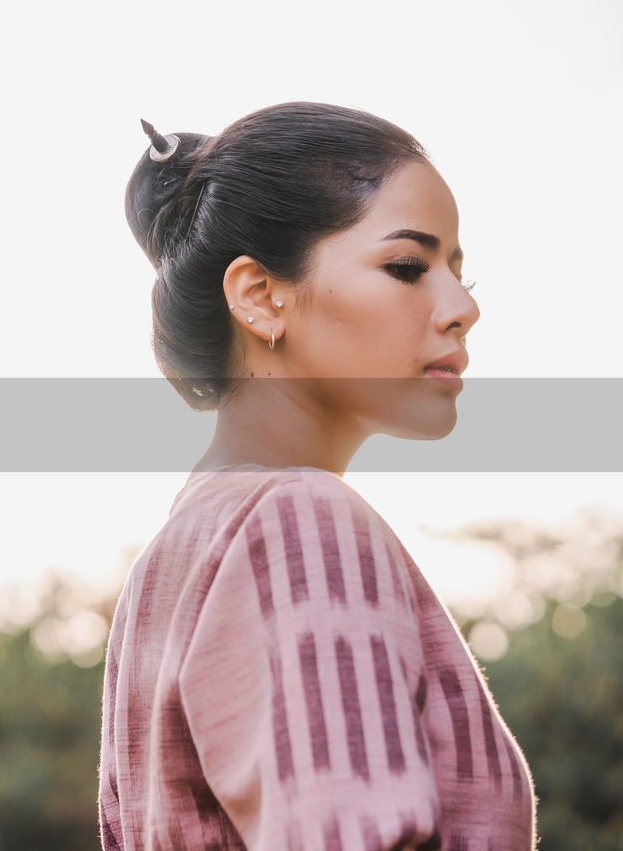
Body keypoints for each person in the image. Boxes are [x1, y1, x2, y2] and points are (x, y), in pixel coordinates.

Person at [98, 102, 537, 850]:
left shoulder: (174, 560)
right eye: (408, 266)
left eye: (459, 273)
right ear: (262, 296)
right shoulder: (299, 521)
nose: (464, 309)